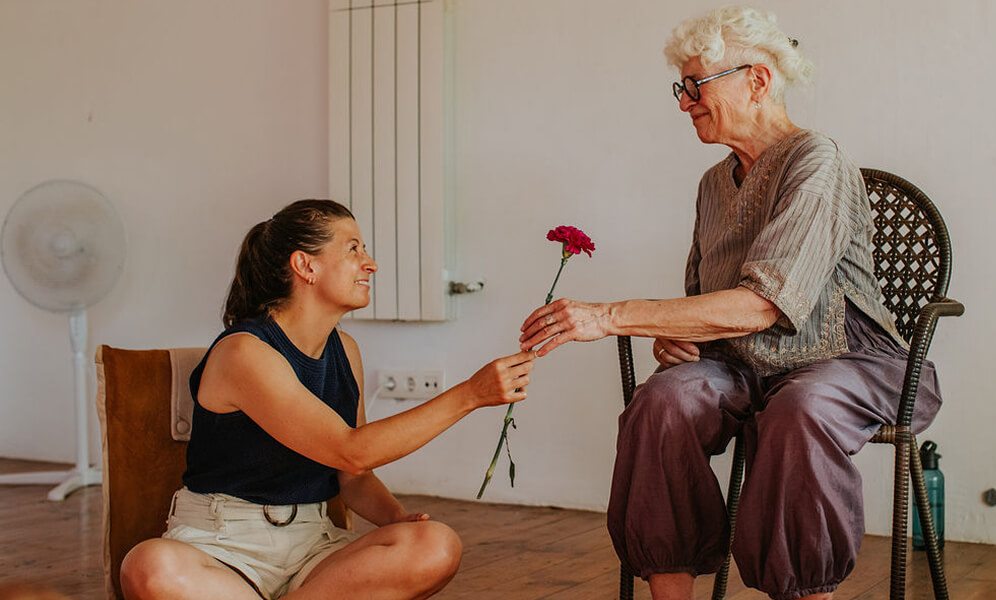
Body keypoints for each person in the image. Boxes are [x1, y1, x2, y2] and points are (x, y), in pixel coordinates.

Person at [519, 7, 941, 600]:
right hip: (745, 365)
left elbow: (762, 305)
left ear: (758, 81)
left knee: (801, 411)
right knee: (661, 403)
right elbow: (709, 306)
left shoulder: (817, 161)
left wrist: (610, 315)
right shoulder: (712, 185)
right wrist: (680, 338)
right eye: (682, 87)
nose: (685, 101)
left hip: (846, 360)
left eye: (698, 86)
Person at [121, 199, 535, 600]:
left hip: (313, 546)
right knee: (151, 567)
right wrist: (470, 395)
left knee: (436, 544)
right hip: (222, 546)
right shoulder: (243, 353)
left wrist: (396, 520)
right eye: (354, 249)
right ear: (305, 266)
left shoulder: (346, 350)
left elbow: (353, 476)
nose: (370, 263)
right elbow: (350, 451)